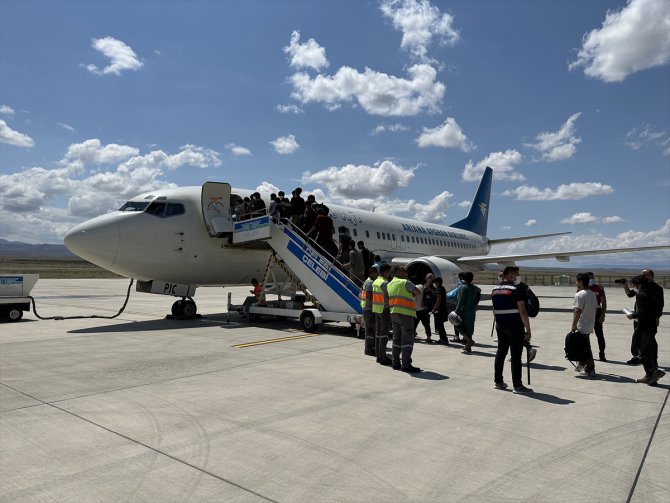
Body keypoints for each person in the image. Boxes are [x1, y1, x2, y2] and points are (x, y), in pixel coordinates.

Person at [491, 266, 533, 393]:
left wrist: (499, 322)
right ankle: (518, 385)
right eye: (516, 274)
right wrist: (528, 330)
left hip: (500, 325)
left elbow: (494, 310)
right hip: (514, 326)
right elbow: (523, 311)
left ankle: (498, 381)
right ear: (509, 275)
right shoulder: (516, 290)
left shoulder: (494, 290)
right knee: (516, 356)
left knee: (501, 353)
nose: (517, 277)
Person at [626, 275, 665, 386]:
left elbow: (643, 313)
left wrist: (632, 315)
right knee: (650, 351)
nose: (635, 287)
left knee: (640, 352)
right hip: (651, 327)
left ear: (640, 285)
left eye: (635, 285)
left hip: (644, 327)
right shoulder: (651, 294)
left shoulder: (641, 296)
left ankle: (653, 372)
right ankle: (650, 376)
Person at [388, 266, 422, 373]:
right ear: (396, 272)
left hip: (394, 313)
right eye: (402, 271)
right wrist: (411, 294)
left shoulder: (389, 284)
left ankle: (395, 363)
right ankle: (406, 365)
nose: (405, 272)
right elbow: (418, 292)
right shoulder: (405, 282)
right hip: (406, 314)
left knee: (396, 339)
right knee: (407, 340)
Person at [571, 273, 598, 377]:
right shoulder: (592, 294)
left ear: (580, 282)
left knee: (585, 347)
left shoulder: (580, 295)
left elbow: (577, 311)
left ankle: (590, 369)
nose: (576, 282)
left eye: (577, 281)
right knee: (584, 346)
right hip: (589, 323)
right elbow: (595, 308)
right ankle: (582, 364)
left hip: (582, 325)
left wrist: (574, 325)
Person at [454, 271, 481, 353]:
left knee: (458, 325)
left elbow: (461, 301)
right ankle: (468, 347)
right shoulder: (476, 288)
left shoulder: (464, 288)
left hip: (464, 311)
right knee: (469, 328)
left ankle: (469, 341)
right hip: (472, 311)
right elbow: (478, 295)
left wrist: (456, 311)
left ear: (464, 279)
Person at [372, 263, 393, 365]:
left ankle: (379, 356)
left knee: (378, 334)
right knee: (384, 335)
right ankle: (383, 357)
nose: (389, 274)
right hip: (384, 309)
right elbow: (389, 296)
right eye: (389, 272)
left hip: (376, 309)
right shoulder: (384, 283)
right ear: (385, 272)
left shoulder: (376, 281)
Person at [587, 272, 608, 361]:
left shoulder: (599, 288)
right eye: (589, 278)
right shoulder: (582, 289)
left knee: (600, 335)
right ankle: (587, 354)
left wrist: (602, 314)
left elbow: (604, 302)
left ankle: (602, 354)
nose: (591, 280)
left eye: (592, 278)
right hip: (587, 313)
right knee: (585, 335)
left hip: (597, 313)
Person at [360, 267, 378, 355]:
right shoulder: (370, 283)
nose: (377, 275)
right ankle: (369, 349)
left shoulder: (367, 281)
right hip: (369, 309)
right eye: (376, 273)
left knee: (369, 329)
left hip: (366, 308)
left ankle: (369, 348)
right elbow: (369, 296)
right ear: (372, 273)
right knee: (370, 330)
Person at [415, 273, 435, 342]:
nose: (430, 279)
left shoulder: (418, 287)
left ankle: (413, 334)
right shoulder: (425, 287)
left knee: (416, 323)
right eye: (429, 277)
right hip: (424, 309)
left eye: (431, 277)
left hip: (419, 309)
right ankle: (428, 337)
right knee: (426, 324)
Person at [431, 277, 450, 345]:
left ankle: (444, 339)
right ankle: (442, 338)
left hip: (440, 310)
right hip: (443, 309)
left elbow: (439, 300)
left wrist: (434, 309)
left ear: (438, 282)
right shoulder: (442, 288)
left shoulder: (438, 289)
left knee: (440, 325)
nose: (434, 284)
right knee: (440, 325)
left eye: (435, 282)